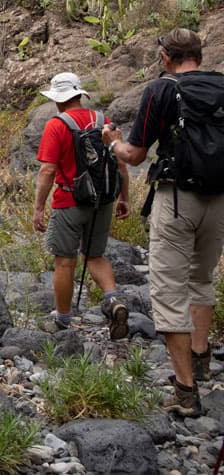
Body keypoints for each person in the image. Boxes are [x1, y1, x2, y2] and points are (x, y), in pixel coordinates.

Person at [102, 28, 224, 417]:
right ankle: (201, 357)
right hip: (219, 198)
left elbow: (135, 154)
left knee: (170, 290)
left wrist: (111, 142)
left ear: (166, 55)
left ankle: (186, 391)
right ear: (199, 55)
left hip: (176, 198)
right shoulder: (222, 86)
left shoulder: (162, 90)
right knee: (201, 278)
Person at [32, 72, 130, 338]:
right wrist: (124, 197)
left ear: (58, 99)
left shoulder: (56, 125)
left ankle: (63, 320)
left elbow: (47, 170)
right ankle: (113, 299)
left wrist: (39, 207)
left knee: (65, 262)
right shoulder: (103, 121)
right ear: (79, 95)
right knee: (95, 255)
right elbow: (120, 163)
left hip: (68, 200)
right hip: (103, 200)